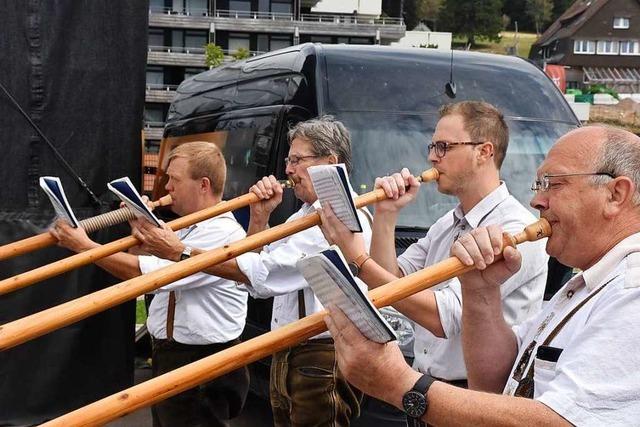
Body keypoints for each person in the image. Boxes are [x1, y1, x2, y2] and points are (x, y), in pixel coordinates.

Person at [325, 124, 640, 425]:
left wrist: (399, 384)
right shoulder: (589, 284)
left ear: (616, 194)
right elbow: (498, 381)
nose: (537, 201)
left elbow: (559, 421)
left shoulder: (631, 289)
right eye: (539, 185)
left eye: (553, 183)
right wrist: (480, 292)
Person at [132, 116, 373, 426]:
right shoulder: (304, 216)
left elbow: (265, 273)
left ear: (330, 162)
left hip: (319, 353)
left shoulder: (335, 218)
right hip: (295, 350)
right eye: (289, 160)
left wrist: (180, 252)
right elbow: (261, 267)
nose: (287, 170)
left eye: (297, 160)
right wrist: (259, 220)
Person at [319, 101, 548, 386]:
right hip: (429, 382)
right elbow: (390, 283)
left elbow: (444, 319)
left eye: (443, 147)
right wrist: (386, 216)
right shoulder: (445, 224)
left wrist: (358, 259)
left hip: (475, 391)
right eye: (432, 147)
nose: (432, 158)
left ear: (484, 152)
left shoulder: (516, 228)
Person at [50, 141, 249, 427]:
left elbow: (148, 275)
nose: (167, 187)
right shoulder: (189, 226)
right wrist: (140, 230)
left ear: (203, 185)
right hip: (173, 354)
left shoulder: (223, 231)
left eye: (174, 180)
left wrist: (85, 247)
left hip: (202, 360)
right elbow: (143, 266)